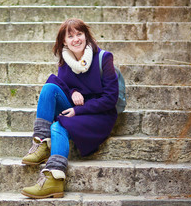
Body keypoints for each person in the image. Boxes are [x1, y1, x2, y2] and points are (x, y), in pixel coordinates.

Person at [21, 18, 119, 199]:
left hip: (99, 114)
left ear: (86, 36)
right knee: (50, 88)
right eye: (70, 36)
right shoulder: (65, 61)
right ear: (64, 41)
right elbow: (66, 84)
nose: (76, 39)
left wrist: (78, 110)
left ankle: (54, 178)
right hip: (78, 107)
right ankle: (41, 143)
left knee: (58, 126)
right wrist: (73, 91)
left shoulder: (104, 58)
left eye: (79, 34)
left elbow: (110, 98)